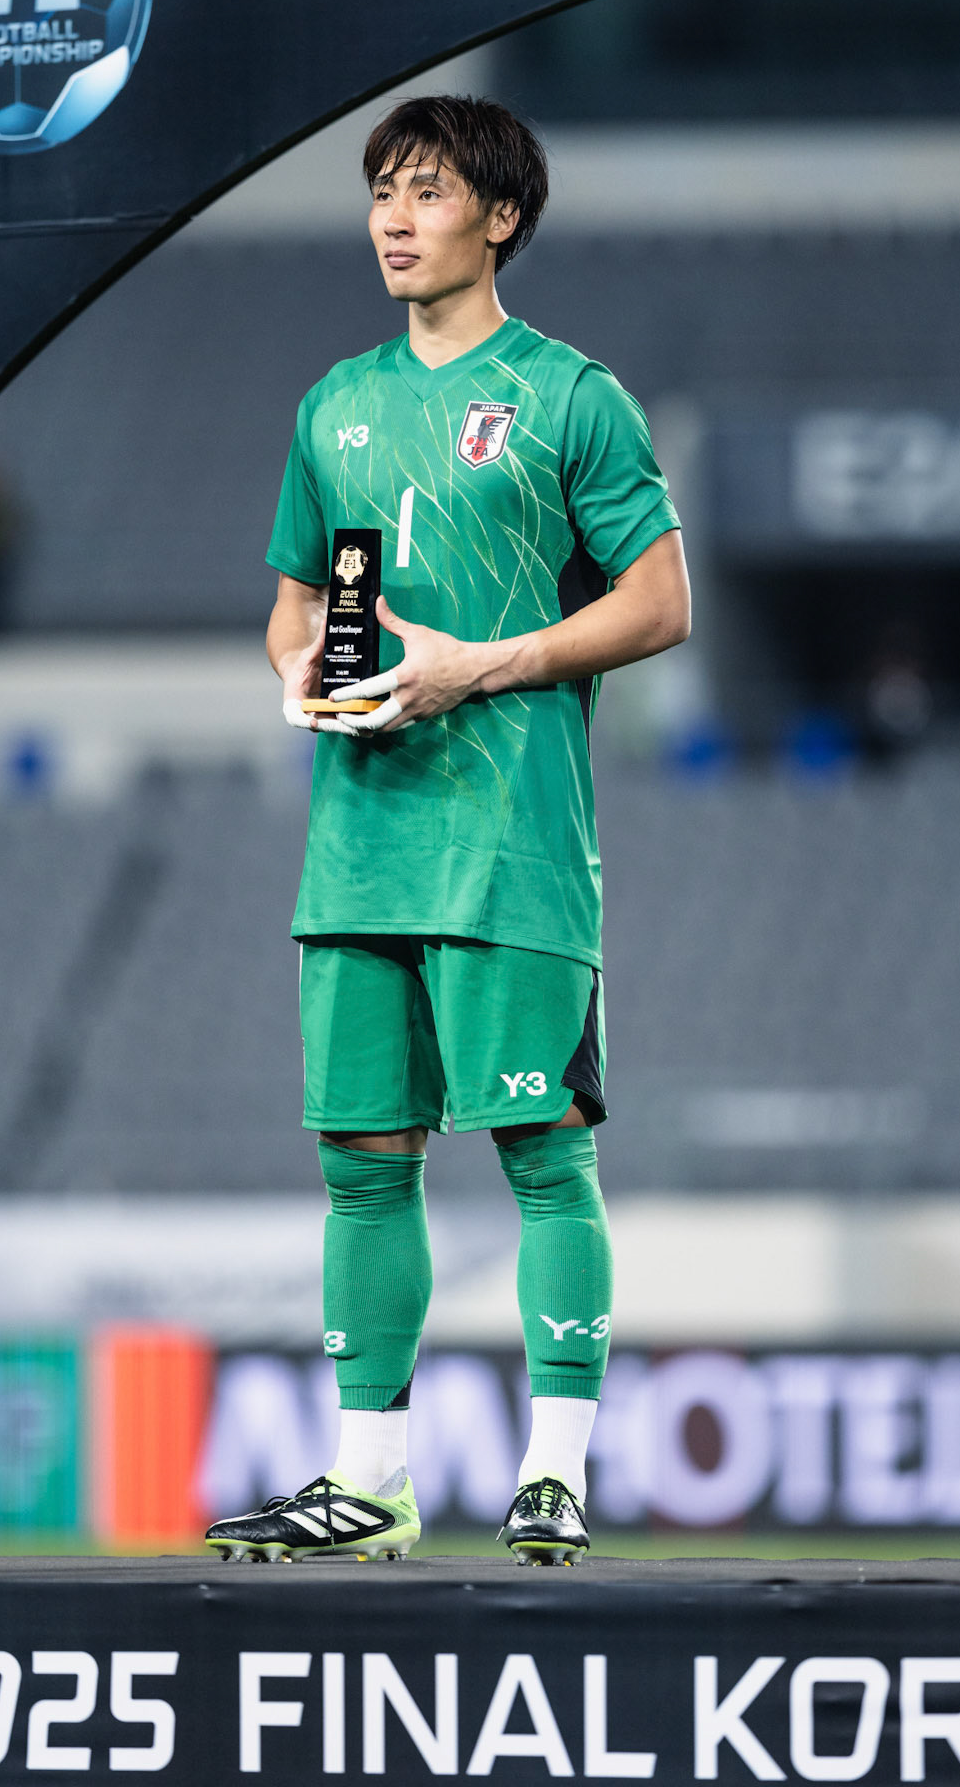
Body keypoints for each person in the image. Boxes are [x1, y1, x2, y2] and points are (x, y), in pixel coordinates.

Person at [204, 95, 690, 1566]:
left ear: (501, 215)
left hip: (512, 843)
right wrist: (304, 670)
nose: (394, 219)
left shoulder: (570, 396)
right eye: (381, 192)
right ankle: (369, 1483)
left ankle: (555, 1476)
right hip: (360, 841)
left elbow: (659, 604)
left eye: (426, 190)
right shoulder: (332, 406)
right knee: (364, 1161)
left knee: (541, 1152)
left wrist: (476, 666)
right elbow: (298, 603)